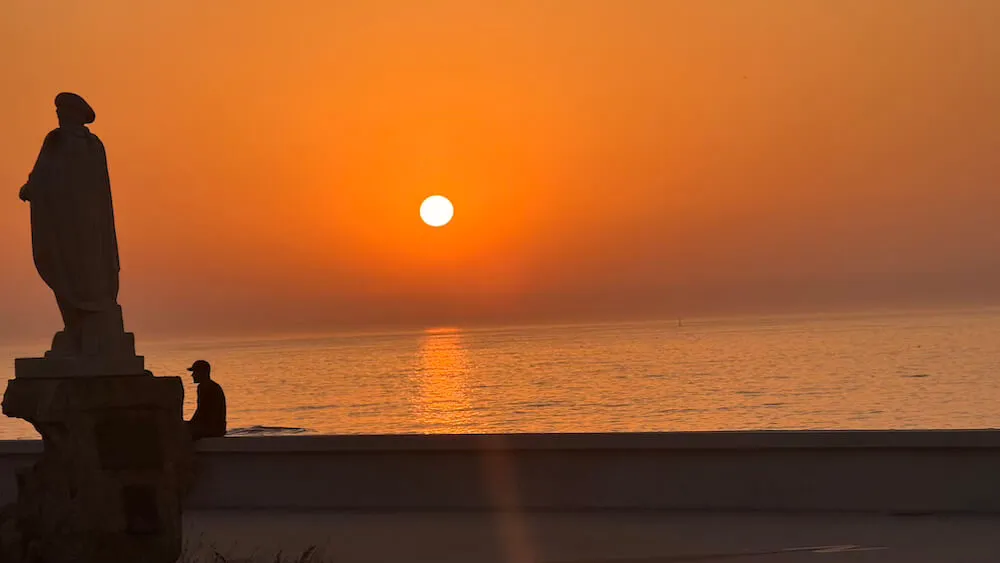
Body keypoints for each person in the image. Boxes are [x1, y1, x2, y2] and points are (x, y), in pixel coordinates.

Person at [19, 93, 124, 358]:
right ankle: (78, 328)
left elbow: (43, 174)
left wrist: (30, 189)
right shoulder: (91, 144)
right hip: (85, 222)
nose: (59, 115)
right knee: (74, 271)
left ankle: (81, 326)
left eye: (62, 110)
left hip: (75, 223)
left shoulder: (62, 140)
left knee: (68, 269)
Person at [186, 360, 227, 439]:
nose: (192, 375)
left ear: (202, 373)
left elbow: (201, 411)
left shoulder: (206, 387)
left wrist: (190, 425)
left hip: (212, 429)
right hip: (215, 427)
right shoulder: (210, 386)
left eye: (195, 372)